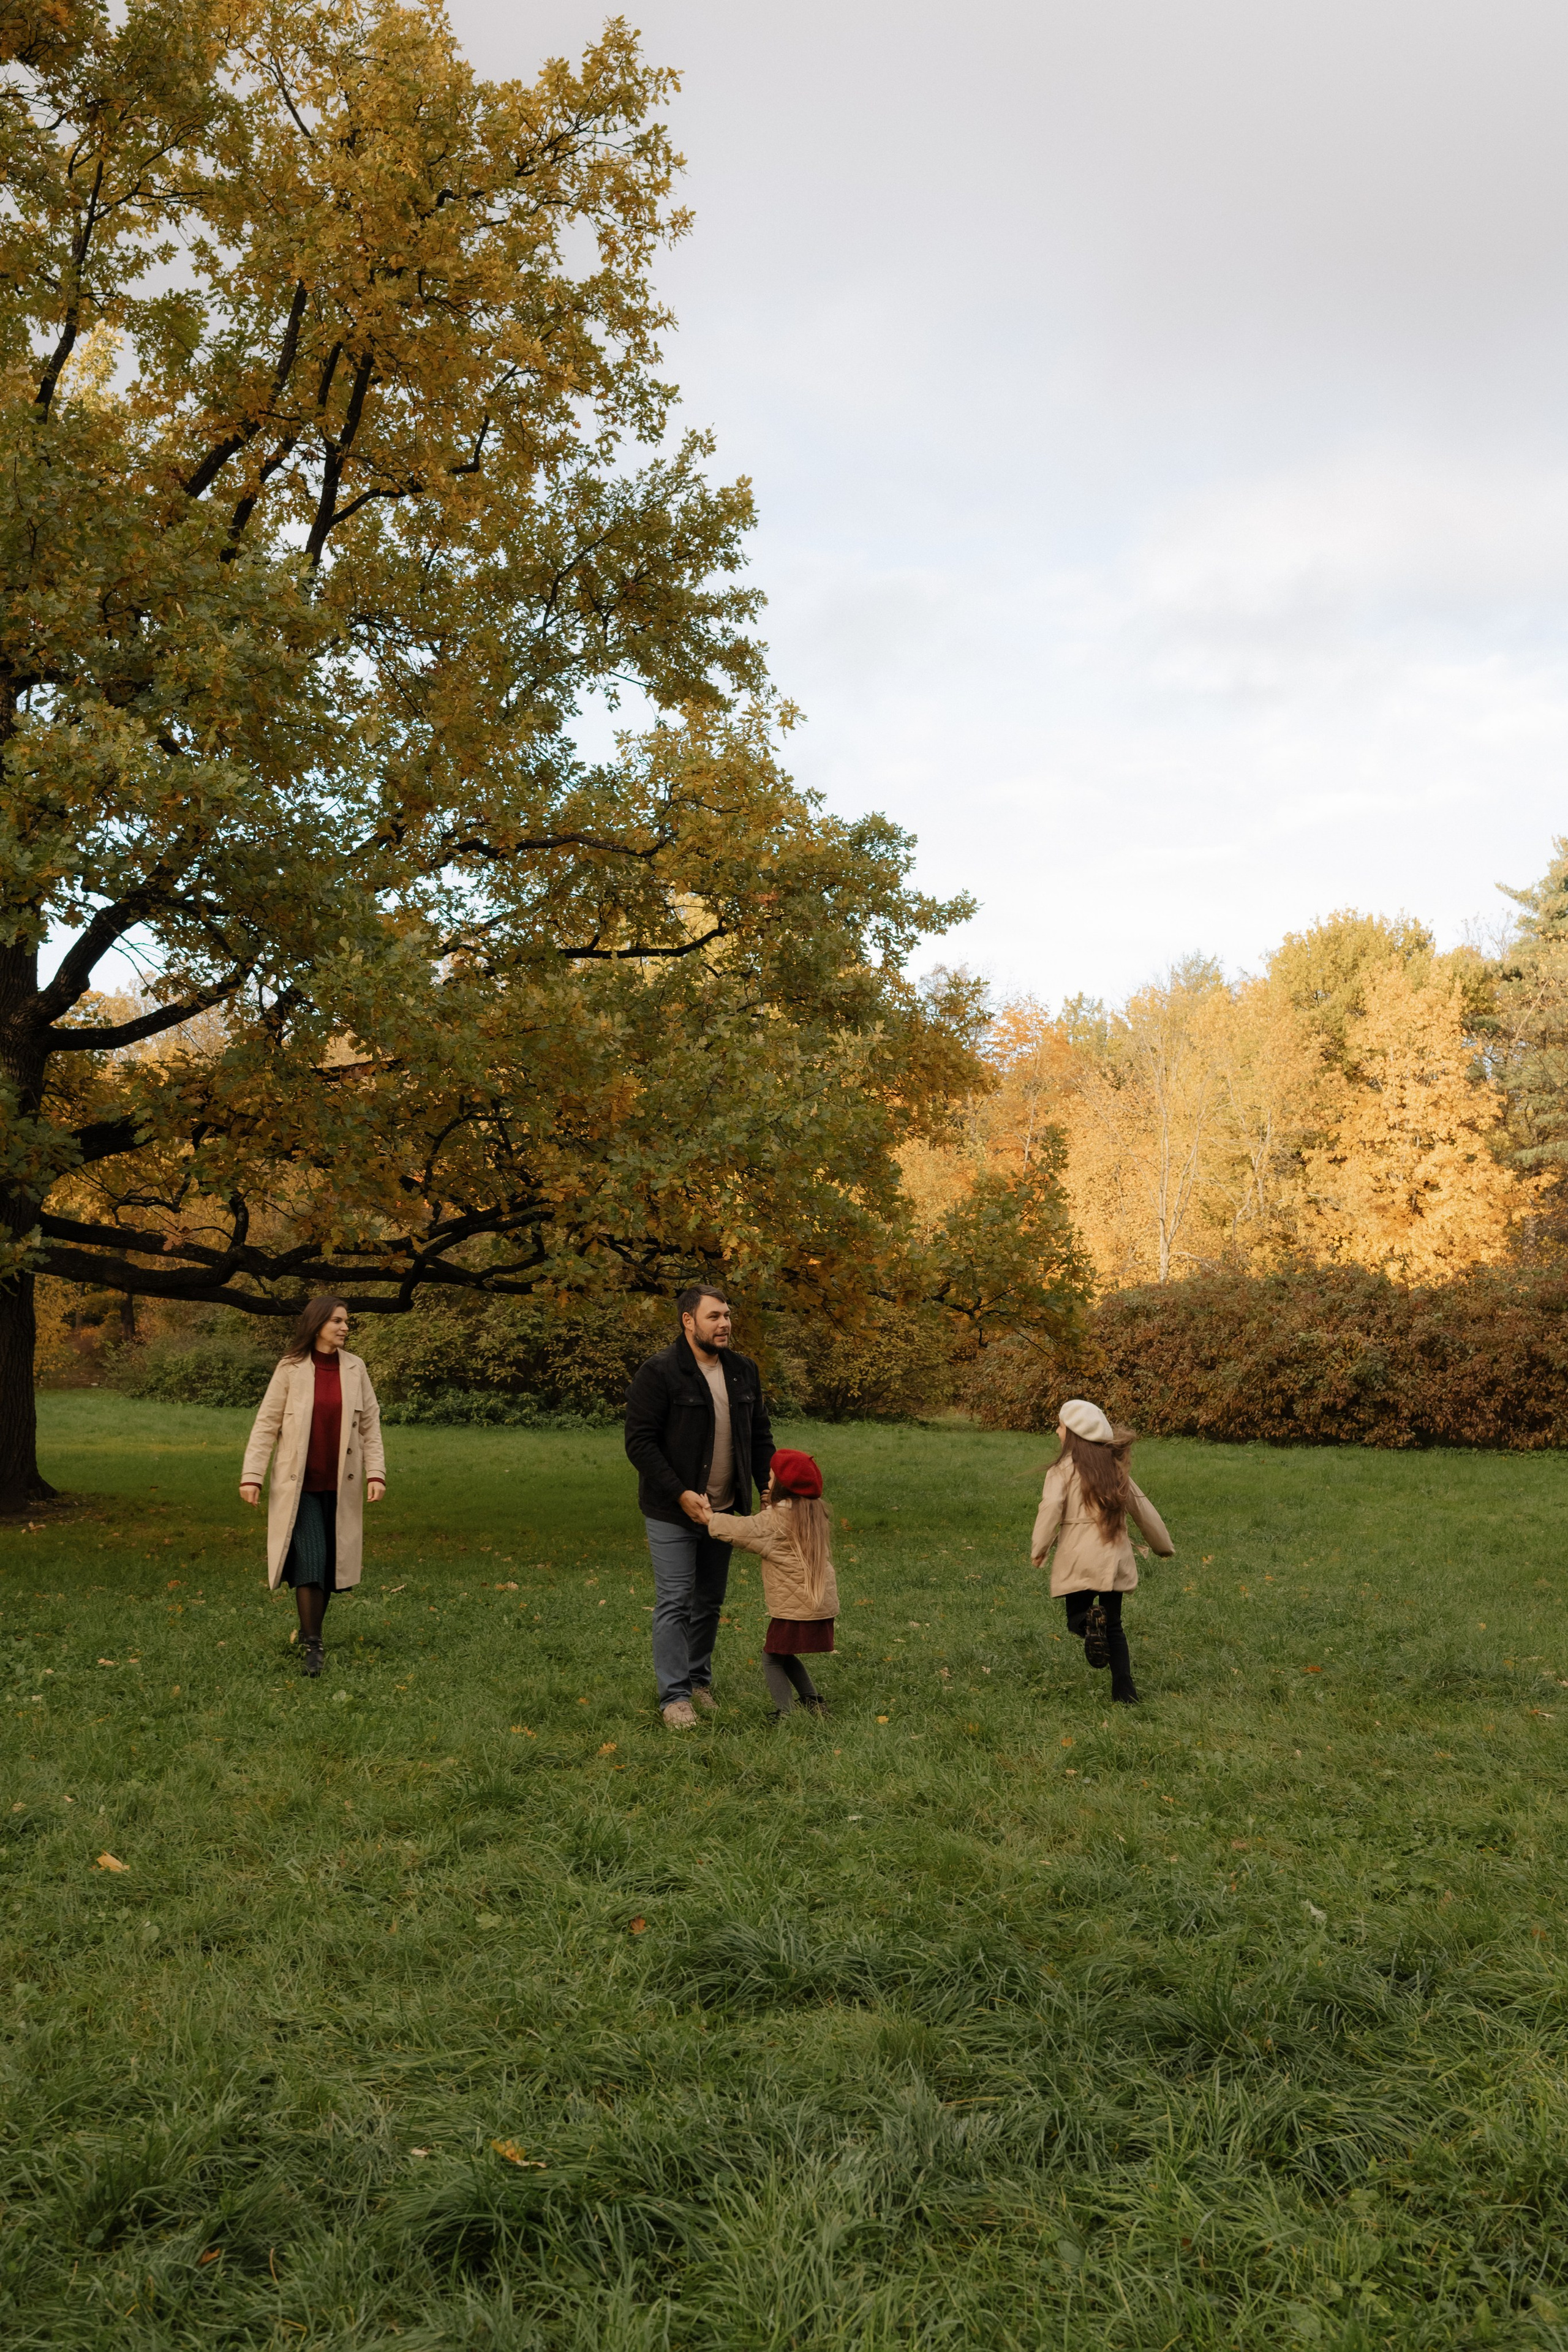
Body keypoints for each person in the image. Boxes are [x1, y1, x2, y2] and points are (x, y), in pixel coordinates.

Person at [624, 1284, 774, 1729]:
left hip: (724, 1508)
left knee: (708, 1600)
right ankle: (675, 1698)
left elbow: (760, 1434)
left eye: (727, 1315)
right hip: (673, 1509)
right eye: (714, 1316)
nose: (725, 1323)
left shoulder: (743, 1371)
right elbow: (640, 1443)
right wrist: (680, 1493)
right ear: (688, 1321)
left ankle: (698, 1682)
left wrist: (768, 1486)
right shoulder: (660, 1372)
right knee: (675, 1600)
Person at [240, 1296, 386, 1677]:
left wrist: (377, 1473)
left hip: (342, 1485)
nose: (344, 1327)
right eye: (337, 1321)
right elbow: (266, 1424)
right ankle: (314, 1645)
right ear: (318, 1323)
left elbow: (370, 1426)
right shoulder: (290, 1368)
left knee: (329, 1564)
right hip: (299, 1485)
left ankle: (310, 1636)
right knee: (310, 1557)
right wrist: (252, 1476)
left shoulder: (356, 1368)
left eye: (346, 1321)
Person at [1030, 1397, 1173, 1705]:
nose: (1057, 1432)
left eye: (1060, 1426)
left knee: (1074, 1618)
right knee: (1115, 1625)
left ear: (1074, 1433)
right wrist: (1162, 1546)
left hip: (1078, 1556)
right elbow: (1143, 1509)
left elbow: (1051, 1507)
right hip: (1113, 1556)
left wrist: (1039, 1547)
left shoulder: (1062, 1470)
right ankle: (1125, 1693)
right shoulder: (1115, 1469)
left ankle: (1087, 1624)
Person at [702, 1448, 837, 1719]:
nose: (768, 1482)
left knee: (772, 1658)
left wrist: (709, 1517)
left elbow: (743, 1531)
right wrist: (772, 1505)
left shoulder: (775, 1520)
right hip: (818, 1603)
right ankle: (812, 1701)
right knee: (783, 1654)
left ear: (783, 1486)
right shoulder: (813, 1511)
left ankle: (785, 1714)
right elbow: (777, 1530)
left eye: (772, 1477)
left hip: (794, 1606)